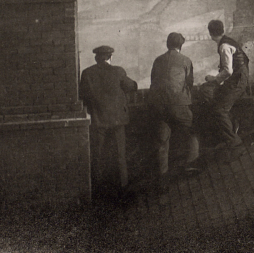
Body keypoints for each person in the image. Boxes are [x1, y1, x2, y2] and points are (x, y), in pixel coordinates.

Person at [79, 45, 138, 197]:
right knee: (120, 154)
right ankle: (123, 186)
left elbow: (83, 95)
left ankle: (98, 188)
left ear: (96, 58)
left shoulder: (87, 73)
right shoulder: (118, 71)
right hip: (118, 120)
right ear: (110, 57)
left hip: (98, 120)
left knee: (98, 154)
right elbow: (132, 86)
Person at [148, 32, 200, 182]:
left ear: (167, 44)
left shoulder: (158, 60)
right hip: (179, 104)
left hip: (158, 105)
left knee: (162, 139)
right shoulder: (186, 60)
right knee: (192, 130)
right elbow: (189, 83)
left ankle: (162, 175)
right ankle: (191, 163)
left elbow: (153, 81)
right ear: (181, 45)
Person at [204, 19, 249, 149]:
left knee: (220, 110)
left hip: (238, 80)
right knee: (220, 101)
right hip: (239, 77)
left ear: (210, 33)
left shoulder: (223, 46)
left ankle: (234, 142)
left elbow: (228, 71)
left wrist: (215, 79)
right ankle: (233, 129)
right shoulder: (228, 41)